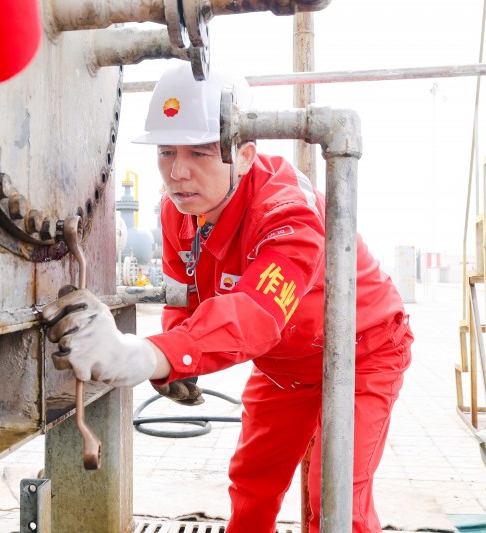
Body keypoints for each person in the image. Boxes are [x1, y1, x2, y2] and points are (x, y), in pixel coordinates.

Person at [41, 62, 413, 533]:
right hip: (285, 367)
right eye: (166, 151)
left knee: (336, 496)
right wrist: (177, 358)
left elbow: (257, 312)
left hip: (363, 353)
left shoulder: (288, 213)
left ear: (245, 154)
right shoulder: (178, 211)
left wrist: (147, 354)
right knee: (252, 480)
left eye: (199, 152)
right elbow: (183, 293)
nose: (178, 172)